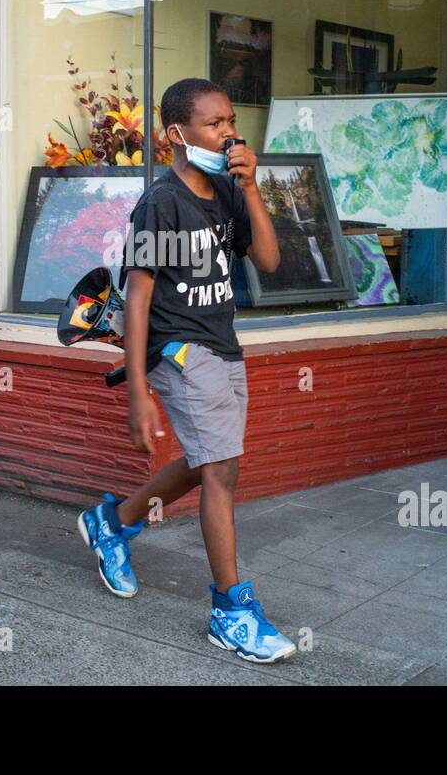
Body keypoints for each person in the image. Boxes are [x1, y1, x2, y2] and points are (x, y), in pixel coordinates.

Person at [76, 77, 297, 663]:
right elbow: (140, 298)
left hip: (223, 345)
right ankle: (230, 608)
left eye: (230, 120)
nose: (229, 132)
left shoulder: (226, 192)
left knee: (207, 466)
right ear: (176, 133)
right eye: (214, 123)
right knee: (222, 469)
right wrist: (137, 393)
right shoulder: (161, 202)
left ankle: (113, 522)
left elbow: (270, 260)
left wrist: (249, 187)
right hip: (179, 350)